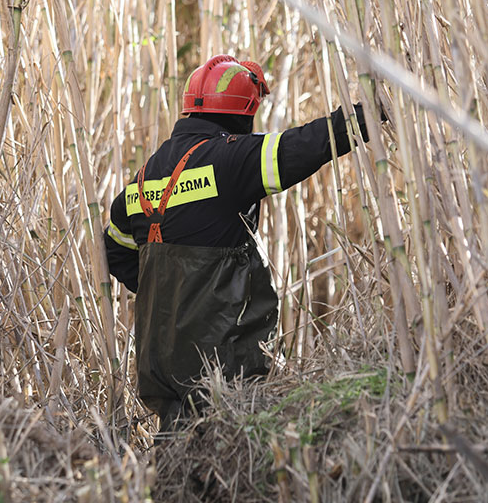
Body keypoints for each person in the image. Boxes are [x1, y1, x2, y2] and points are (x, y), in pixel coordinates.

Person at [103, 54, 380, 430]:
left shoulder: (141, 180)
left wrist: (170, 291)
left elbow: (114, 253)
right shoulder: (229, 159)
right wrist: (370, 114)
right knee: (227, 449)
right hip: (222, 356)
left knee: (176, 446)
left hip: (161, 358)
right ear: (243, 114)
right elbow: (303, 146)